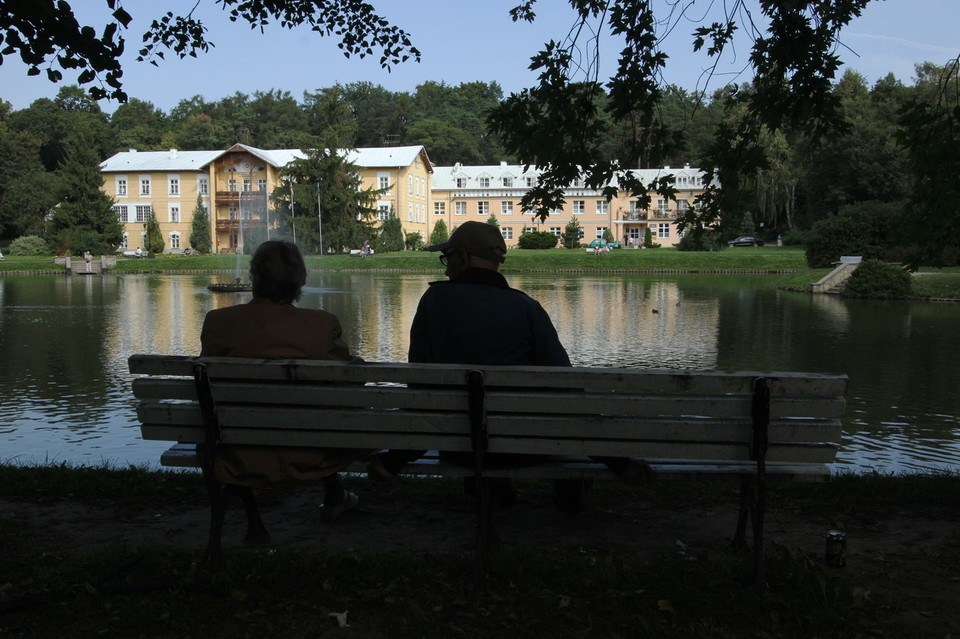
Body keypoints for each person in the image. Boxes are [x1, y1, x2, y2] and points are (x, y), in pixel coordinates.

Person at [367, 221, 651, 513]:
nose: (445, 267)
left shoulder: (433, 301)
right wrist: (618, 462)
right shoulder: (527, 308)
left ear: (462, 258)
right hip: (525, 448)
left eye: (448, 257)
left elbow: (420, 385)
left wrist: (396, 458)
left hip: (461, 449)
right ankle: (561, 488)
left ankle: (493, 492)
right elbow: (567, 389)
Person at [200, 239, 365, 522]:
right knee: (326, 411)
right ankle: (334, 493)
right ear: (300, 281)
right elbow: (350, 381)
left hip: (237, 451)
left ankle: (254, 522)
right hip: (312, 453)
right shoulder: (322, 325)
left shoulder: (218, 322)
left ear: (254, 277)